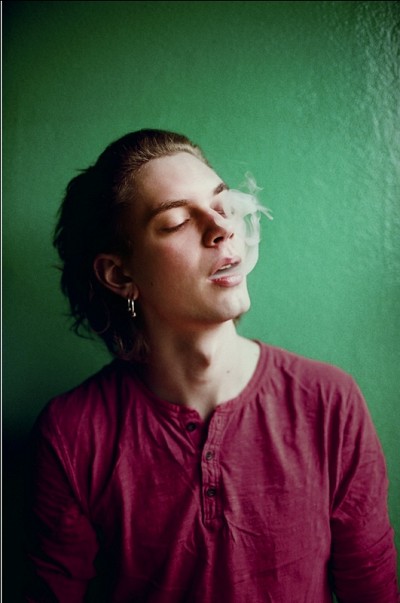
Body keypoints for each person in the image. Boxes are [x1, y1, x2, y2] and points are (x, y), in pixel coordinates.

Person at [26, 129, 399, 602]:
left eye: (223, 205)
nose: (222, 227)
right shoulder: (71, 434)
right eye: (177, 221)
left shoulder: (329, 402)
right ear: (120, 274)